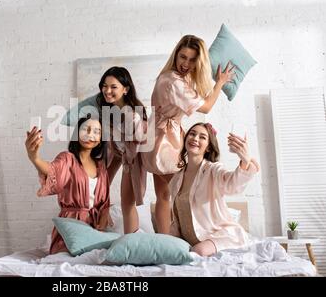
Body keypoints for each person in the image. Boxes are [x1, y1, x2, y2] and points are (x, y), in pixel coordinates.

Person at [141, 34, 236, 234]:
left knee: (164, 195)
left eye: (192, 59)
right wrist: (220, 82)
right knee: (182, 193)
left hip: (154, 136)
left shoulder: (167, 76)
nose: (186, 63)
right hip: (166, 140)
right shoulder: (175, 83)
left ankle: (164, 241)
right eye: (183, 57)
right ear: (176, 55)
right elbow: (207, 107)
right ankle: (189, 236)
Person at [168, 122, 259, 256]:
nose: (195, 138)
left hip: (220, 236)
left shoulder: (213, 170)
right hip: (193, 241)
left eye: (202, 137)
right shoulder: (176, 178)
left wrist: (245, 161)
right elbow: (177, 220)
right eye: (192, 134)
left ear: (208, 148)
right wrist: (171, 242)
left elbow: (232, 185)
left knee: (199, 251)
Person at [25, 115, 111, 254]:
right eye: (85, 129)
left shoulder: (101, 167)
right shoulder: (68, 159)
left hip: (94, 229)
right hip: (71, 226)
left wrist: (103, 220)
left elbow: (105, 202)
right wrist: (34, 157)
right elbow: (52, 169)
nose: (90, 134)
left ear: (101, 140)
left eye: (96, 131)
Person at [95, 66, 148, 234]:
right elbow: (115, 147)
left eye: (113, 87)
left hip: (133, 160)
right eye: (104, 86)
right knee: (100, 187)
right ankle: (101, 223)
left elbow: (137, 147)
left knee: (127, 203)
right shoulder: (110, 112)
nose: (107, 90)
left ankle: (132, 241)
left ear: (125, 89)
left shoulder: (132, 116)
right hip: (120, 155)